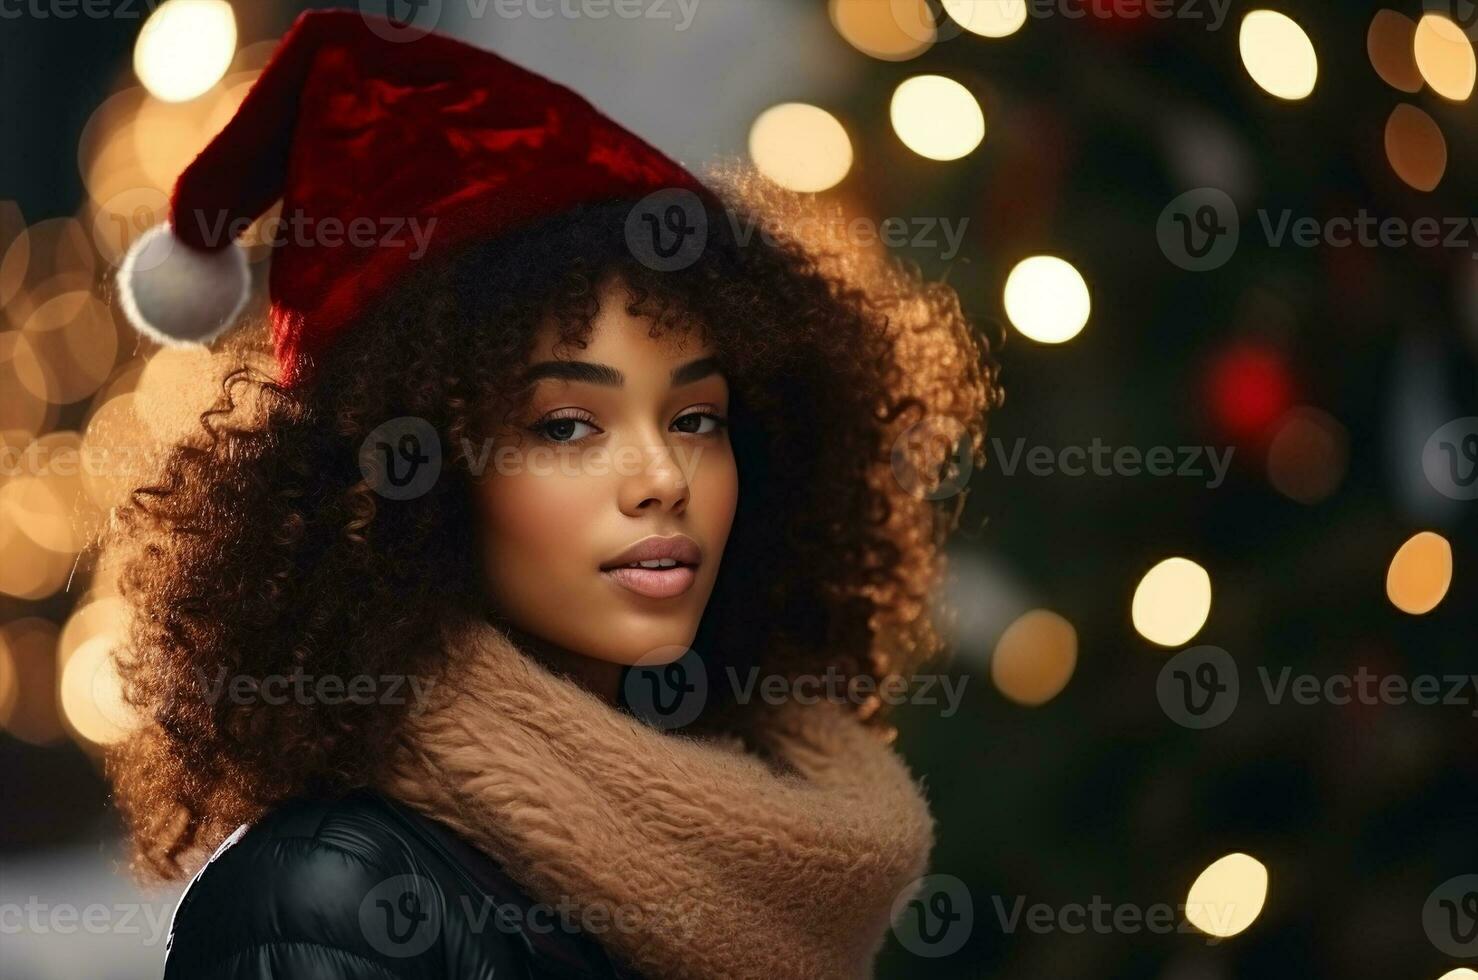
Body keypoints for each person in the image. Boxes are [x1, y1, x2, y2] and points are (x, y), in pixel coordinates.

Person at [103, 9, 998, 979]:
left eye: (697, 418)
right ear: (409, 480)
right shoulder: (328, 900)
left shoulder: (784, 859)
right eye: (566, 425)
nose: (661, 478)